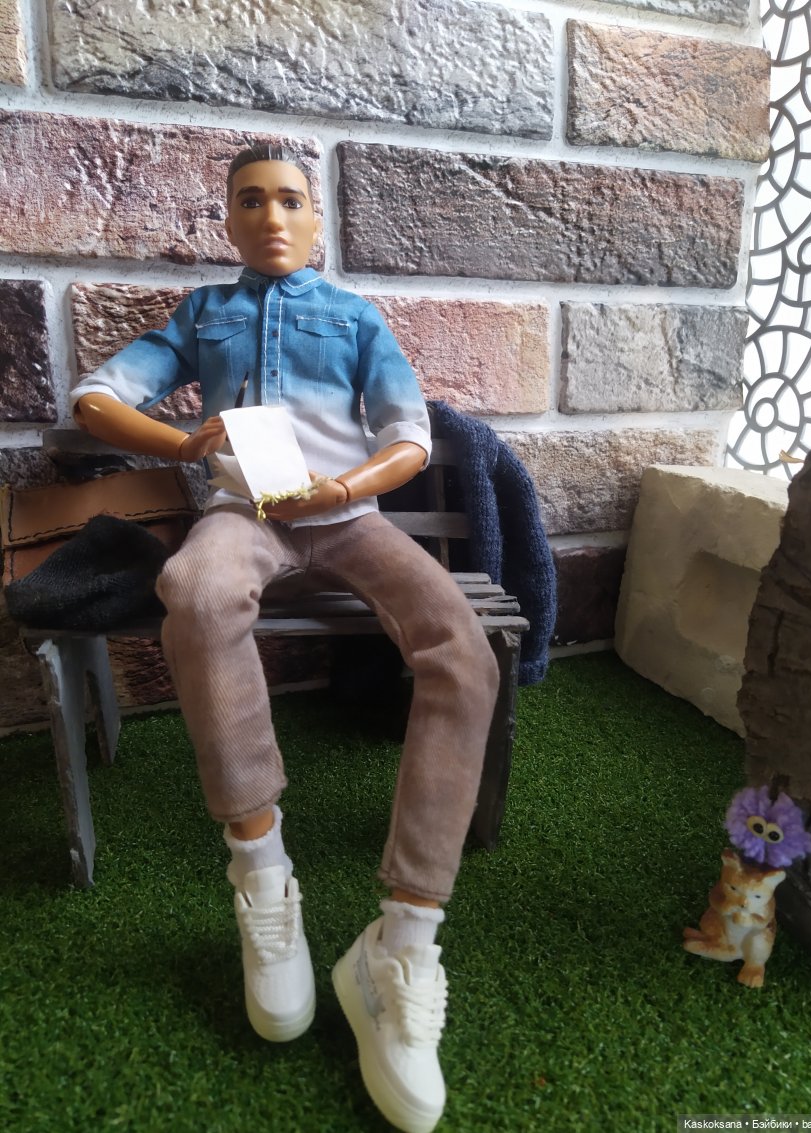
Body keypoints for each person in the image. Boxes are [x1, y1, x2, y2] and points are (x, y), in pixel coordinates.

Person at [71, 143, 499, 1133]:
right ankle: (260, 869)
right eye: (251, 201)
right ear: (227, 220)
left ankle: (403, 937)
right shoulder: (203, 314)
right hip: (243, 516)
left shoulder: (352, 316)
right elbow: (97, 397)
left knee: (461, 645)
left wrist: (344, 485)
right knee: (195, 587)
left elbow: (409, 434)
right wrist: (185, 442)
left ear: (316, 222)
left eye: (291, 201)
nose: (271, 217)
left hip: (349, 517)